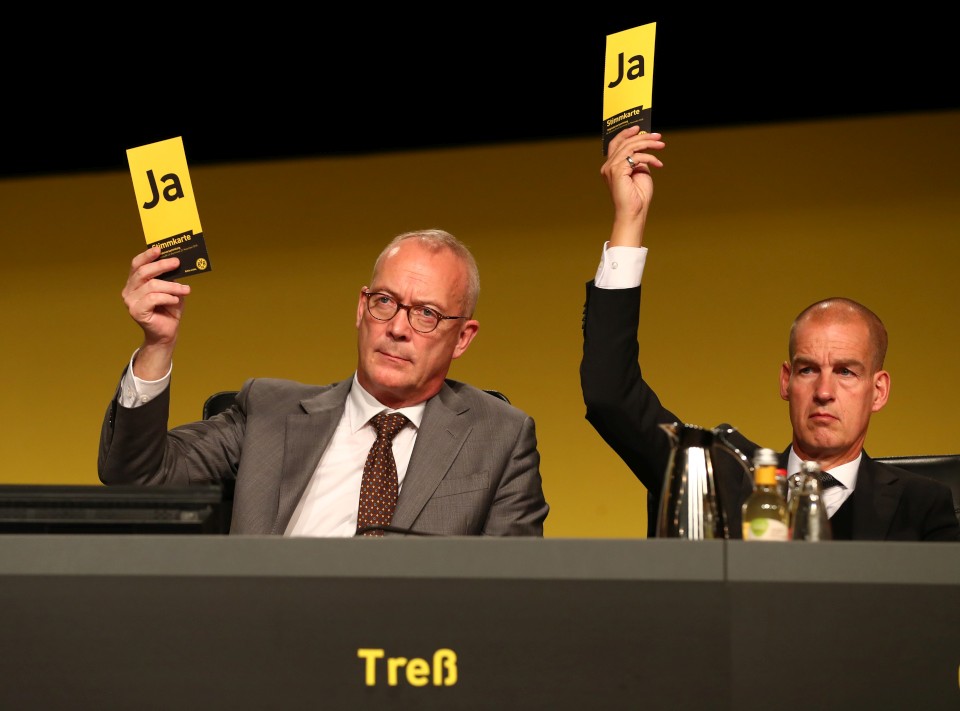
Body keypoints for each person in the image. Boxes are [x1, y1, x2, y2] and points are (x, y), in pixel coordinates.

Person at [580, 125, 959, 541]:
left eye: (846, 372)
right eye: (808, 370)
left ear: (879, 390)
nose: (824, 392)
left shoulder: (922, 506)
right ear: (785, 381)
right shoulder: (721, 480)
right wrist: (630, 219)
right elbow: (610, 394)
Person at [99, 229, 549, 536]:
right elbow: (139, 479)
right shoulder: (268, 413)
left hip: (411, 646)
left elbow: (509, 594)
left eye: (426, 314)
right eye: (385, 302)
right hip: (269, 633)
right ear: (361, 308)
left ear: (463, 338)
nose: (397, 328)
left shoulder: (499, 437)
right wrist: (157, 345)